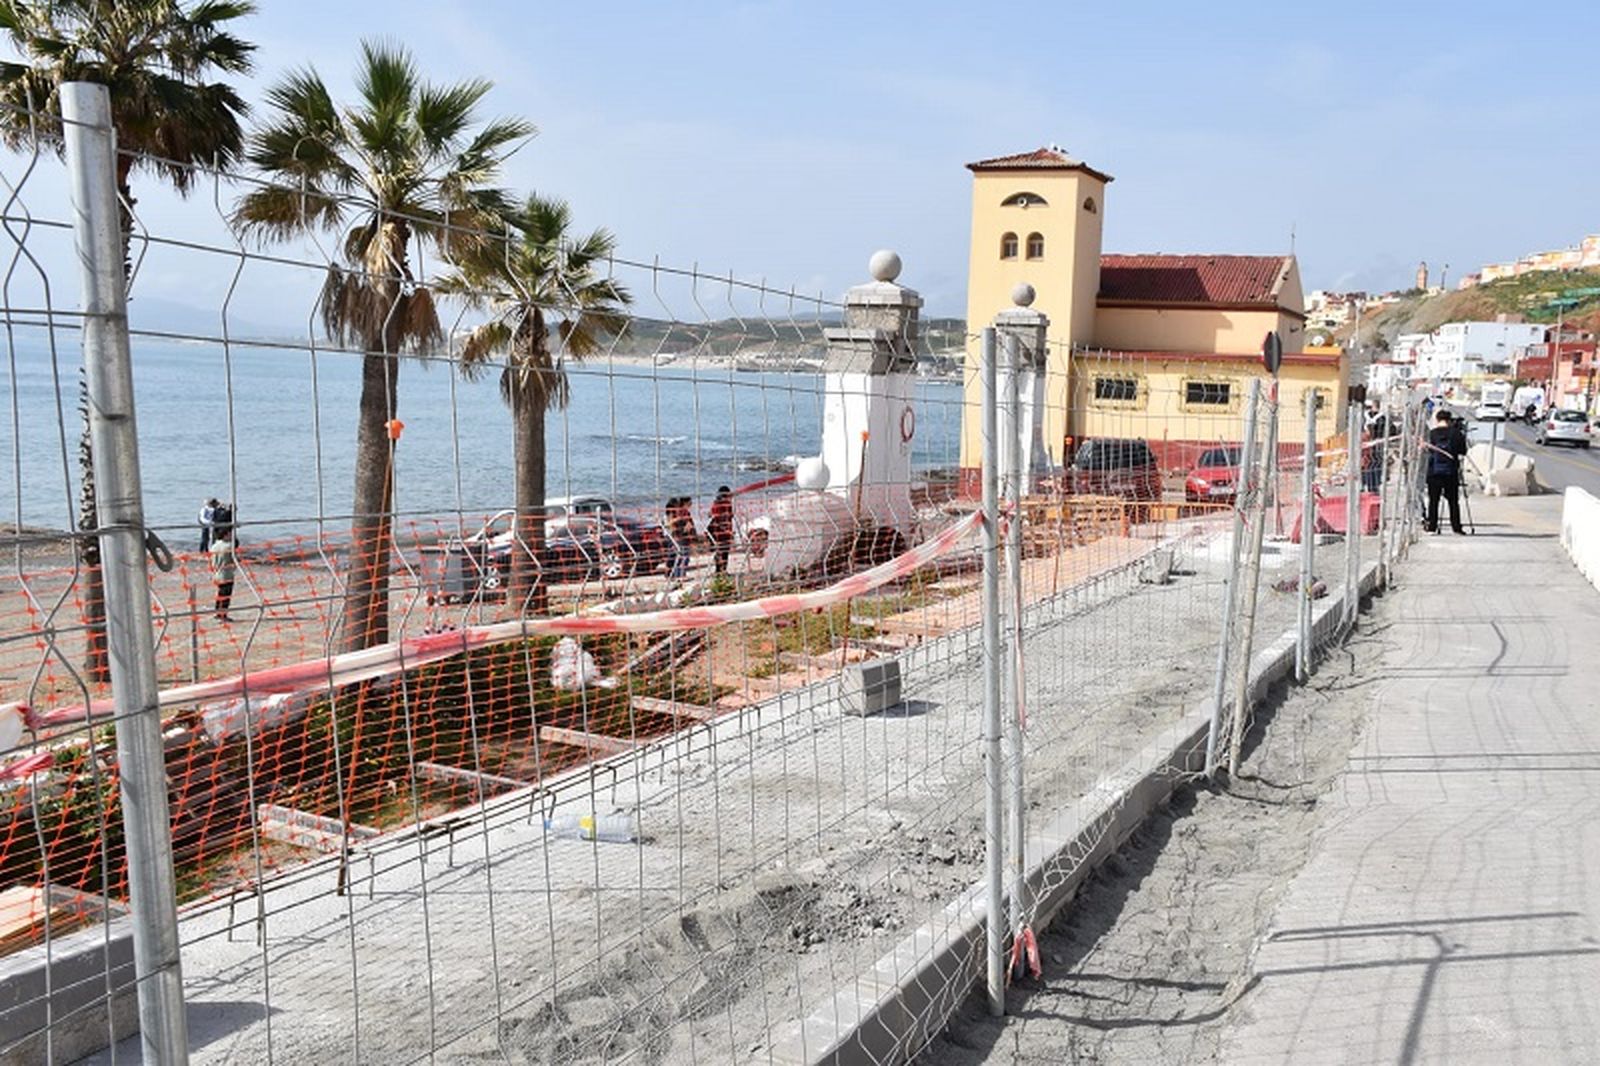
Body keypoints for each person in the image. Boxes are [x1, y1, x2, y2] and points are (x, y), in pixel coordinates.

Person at [1425, 409, 1468, 534]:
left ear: (1437, 420)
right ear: (1449, 420)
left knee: (1433, 501)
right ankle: (1456, 527)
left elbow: (1427, 451)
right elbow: (1463, 451)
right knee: (1453, 501)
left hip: (1434, 472)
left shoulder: (1431, 434)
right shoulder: (1456, 433)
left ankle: (1432, 526)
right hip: (1451, 471)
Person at [210, 526, 238, 622]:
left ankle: (218, 613)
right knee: (226, 595)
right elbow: (234, 559)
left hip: (216, 573)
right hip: (227, 574)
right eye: (230, 533)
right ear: (226, 534)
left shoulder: (214, 546)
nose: (231, 535)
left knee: (220, 594)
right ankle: (223, 615)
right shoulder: (229, 546)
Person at [665, 497, 697, 579]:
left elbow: (689, 523)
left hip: (682, 536)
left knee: (680, 557)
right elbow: (669, 525)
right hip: (676, 537)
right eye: (690, 502)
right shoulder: (674, 513)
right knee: (680, 557)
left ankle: (678, 574)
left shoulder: (684, 512)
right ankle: (678, 575)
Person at [707, 486, 735, 576]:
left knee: (723, 551)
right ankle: (720, 570)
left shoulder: (721, 504)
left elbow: (728, 516)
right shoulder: (720, 504)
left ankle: (721, 570)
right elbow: (718, 518)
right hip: (721, 531)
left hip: (722, 531)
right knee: (722, 551)